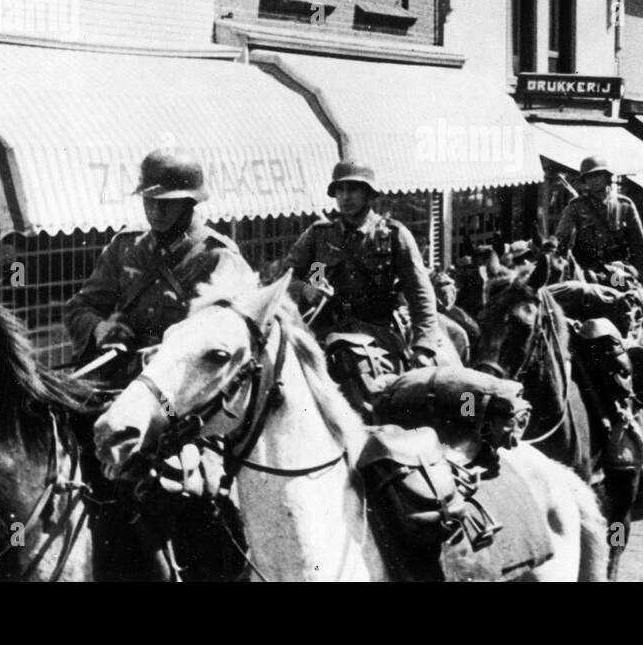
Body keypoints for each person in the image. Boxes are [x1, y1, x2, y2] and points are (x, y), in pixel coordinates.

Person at [64, 148, 254, 581]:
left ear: (190, 201)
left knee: (188, 489)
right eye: (148, 201)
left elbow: (233, 344)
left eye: (165, 202)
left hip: (184, 402)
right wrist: (100, 329)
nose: (154, 210)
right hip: (116, 388)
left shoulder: (219, 258)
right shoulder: (125, 248)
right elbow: (79, 307)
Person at [282, 161, 449, 369]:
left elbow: (419, 292)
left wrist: (423, 347)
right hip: (324, 332)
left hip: (376, 334)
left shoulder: (393, 235)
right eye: (339, 190)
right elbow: (283, 279)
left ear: (368, 193)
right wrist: (307, 288)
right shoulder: (320, 235)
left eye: (352, 189)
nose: (345, 196)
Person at [554, 156, 643, 291]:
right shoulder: (576, 207)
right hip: (587, 273)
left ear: (606, 176)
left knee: (625, 300)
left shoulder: (624, 206)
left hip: (618, 270)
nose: (592, 181)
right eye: (588, 177)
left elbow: (640, 249)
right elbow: (560, 241)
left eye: (597, 175)